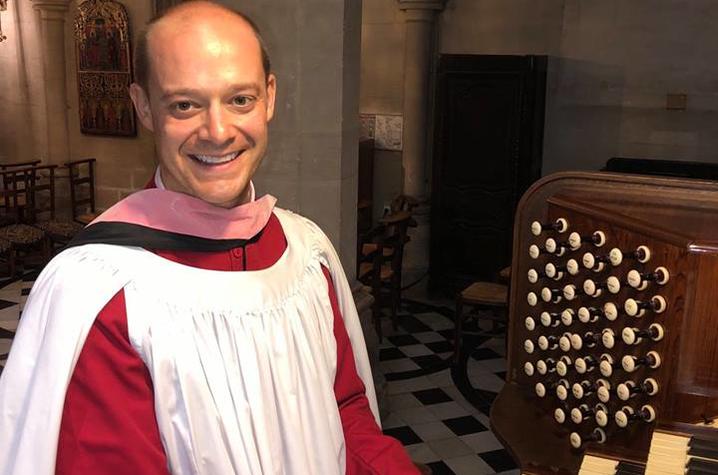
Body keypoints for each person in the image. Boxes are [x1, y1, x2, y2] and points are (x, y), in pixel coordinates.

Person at [0, 2, 421, 474]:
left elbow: (347, 415)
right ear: (143, 106)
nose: (218, 132)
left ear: (270, 96)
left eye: (240, 99)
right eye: (185, 104)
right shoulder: (103, 294)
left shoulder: (307, 256)